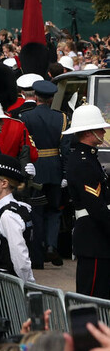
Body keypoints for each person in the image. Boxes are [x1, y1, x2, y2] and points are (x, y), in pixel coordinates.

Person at [19, 78, 69, 267]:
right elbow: (65, 147)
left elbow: (25, 146)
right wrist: (64, 173)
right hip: (55, 166)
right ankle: (51, 246)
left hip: (36, 166)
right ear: (50, 98)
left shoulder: (26, 117)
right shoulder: (61, 117)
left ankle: (38, 251)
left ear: (36, 96)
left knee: (37, 211)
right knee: (54, 210)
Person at [64, 103, 110, 298]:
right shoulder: (83, 162)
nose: (103, 131)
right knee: (92, 296)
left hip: (96, 236)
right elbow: (96, 206)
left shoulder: (88, 158)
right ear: (89, 132)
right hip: (94, 236)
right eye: (100, 129)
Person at [0, 154, 34, 282]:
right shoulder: (9, 210)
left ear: (4, 183)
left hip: (6, 286)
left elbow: (20, 258)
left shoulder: (8, 216)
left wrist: (28, 285)